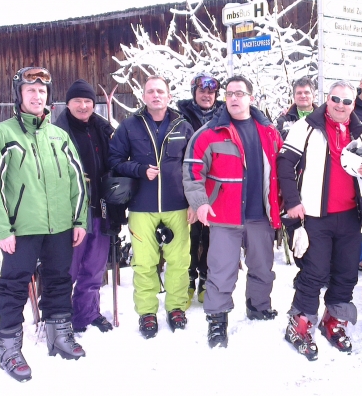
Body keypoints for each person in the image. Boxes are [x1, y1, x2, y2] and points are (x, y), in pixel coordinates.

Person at [0, 67, 88, 382]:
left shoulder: (59, 135)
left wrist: (78, 219)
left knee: (58, 280)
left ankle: (59, 337)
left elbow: (76, 181)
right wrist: (3, 229)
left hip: (60, 227)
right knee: (13, 286)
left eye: (41, 91)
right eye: (30, 90)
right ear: (19, 95)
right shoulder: (1, 134)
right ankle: (9, 347)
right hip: (22, 228)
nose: (37, 96)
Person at [278, 80, 362, 360]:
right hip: (315, 214)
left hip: (351, 215)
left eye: (347, 101)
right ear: (327, 98)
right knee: (313, 273)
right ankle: (299, 324)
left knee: (347, 273)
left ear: (353, 104)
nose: (340, 105)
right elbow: (284, 164)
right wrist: (292, 202)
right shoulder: (307, 127)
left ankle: (333, 320)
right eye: (336, 99)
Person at [183, 75, 283, 349]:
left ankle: (259, 306)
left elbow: (282, 172)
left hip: (260, 215)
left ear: (251, 97)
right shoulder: (208, 133)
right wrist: (200, 202)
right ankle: (217, 320)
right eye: (229, 94)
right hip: (224, 216)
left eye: (240, 93)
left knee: (263, 267)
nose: (234, 98)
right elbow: (192, 171)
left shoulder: (269, 132)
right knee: (221, 271)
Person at [109, 75, 194, 339]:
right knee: (144, 263)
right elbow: (114, 160)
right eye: (150, 92)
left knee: (179, 261)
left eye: (160, 91)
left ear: (168, 96)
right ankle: (147, 312)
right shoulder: (130, 126)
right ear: (143, 97)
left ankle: (176, 307)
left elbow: (194, 166)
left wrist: (194, 201)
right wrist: (139, 169)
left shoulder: (183, 125)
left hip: (177, 205)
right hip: (141, 206)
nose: (155, 95)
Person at [53, 79, 115, 333]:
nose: (83, 105)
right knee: (68, 269)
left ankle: (86, 314)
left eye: (88, 101)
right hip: (72, 212)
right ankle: (60, 318)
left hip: (100, 208)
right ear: (67, 104)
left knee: (94, 267)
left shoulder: (103, 129)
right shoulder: (57, 132)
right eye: (77, 100)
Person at [176, 72, 225, 304]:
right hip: (190, 186)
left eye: (211, 92)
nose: (207, 95)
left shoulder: (225, 116)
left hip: (217, 187)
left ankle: (206, 278)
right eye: (202, 91)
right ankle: (188, 279)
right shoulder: (180, 117)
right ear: (194, 93)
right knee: (191, 236)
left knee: (212, 237)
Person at [276, 76, 319, 272]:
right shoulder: (284, 120)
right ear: (293, 96)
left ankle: (316, 270)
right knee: (295, 225)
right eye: (299, 93)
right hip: (292, 180)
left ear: (313, 95)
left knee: (316, 227)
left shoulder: (323, 116)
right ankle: (303, 270)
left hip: (317, 178)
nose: (303, 96)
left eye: (306, 92)